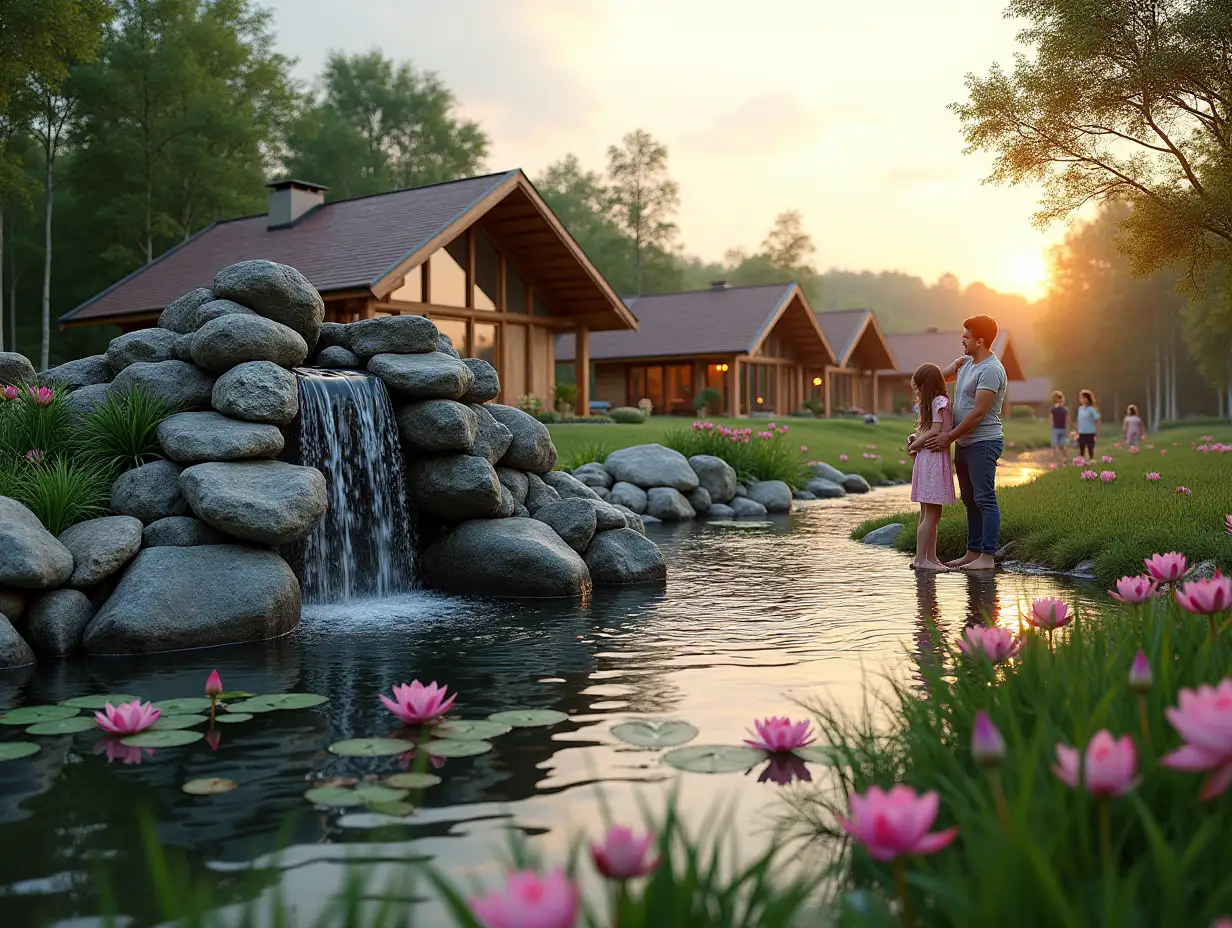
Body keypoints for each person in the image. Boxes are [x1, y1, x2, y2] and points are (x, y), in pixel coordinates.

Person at [924, 314, 1007, 572]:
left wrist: (948, 437)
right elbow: (937, 379)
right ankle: (972, 552)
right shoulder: (968, 363)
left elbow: (978, 413)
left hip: (984, 442)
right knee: (970, 500)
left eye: (966, 336)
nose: (962, 339)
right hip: (965, 443)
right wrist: (954, 364)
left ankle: (987, 556)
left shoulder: (992, 370)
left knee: (985, 499)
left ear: (980, 340)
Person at [905, 363, 956, 571]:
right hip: (933, 459)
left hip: (929, 459)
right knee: (932, 513)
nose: (918, 392)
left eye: (919, 387)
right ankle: (920, 559)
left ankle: (931, 557)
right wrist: (915, 444)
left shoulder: (936, 402)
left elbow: (930, 429)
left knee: (930, 512)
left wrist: (915, 443)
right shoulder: (940, 401)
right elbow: (936, 430)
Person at [1076, 389, 1100, 457]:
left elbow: (1098, 420)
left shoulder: (1092, 409)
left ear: (1088, 399)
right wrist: (1077, 431)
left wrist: (1096, 432)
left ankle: (1091, 463)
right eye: (1081, 398)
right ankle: (1081, 464)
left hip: (1090, 433)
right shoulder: (1080, 409)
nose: (1082, 399)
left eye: (1084, 398)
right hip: (1081, 433)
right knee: (1081, 451)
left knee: (1090, 450)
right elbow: (1079, 420)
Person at [1049, 391, 1068, 464]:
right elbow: (1051, 419)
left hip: (1063, 429)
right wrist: (1052, 428)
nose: (1059, 400)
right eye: (1057, 398)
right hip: (1055, 429)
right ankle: (1054, 460)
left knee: (1062, 445)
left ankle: (1065, 457)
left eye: (1060, 398)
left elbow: (1066, 420)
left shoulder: (1064, 409)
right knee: (1054, 445)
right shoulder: (1053, 409)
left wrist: (1067, 430)